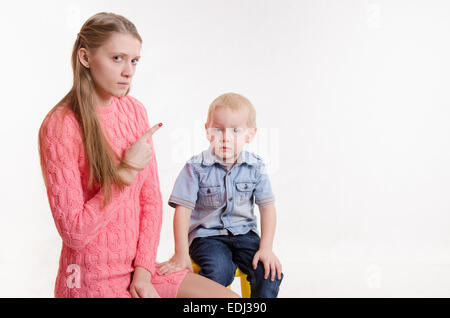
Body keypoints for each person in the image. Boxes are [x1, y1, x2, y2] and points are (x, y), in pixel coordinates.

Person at [38, 12, 238, 298]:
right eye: (117, 58)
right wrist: (126, 172)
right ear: (85, 57)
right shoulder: (61, 125)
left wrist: (143, 273)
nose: (128, 71)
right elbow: (75, 233)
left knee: (231, 301)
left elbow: (150, 201)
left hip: (138, 270)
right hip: (89, 280)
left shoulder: (134, 110)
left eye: (134, 61)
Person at [157, 92, 283, 297]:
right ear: (207, 131)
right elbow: (183, 212)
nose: (225, 137)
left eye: (235, 130)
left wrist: (266, 248)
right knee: (218, 272)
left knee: (269, 272)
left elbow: (267, 208)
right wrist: (181, 253)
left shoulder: (256, 167)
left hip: (245, 235)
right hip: (207, 237)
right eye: (218, 129)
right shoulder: (195, 167)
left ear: (250, 135)